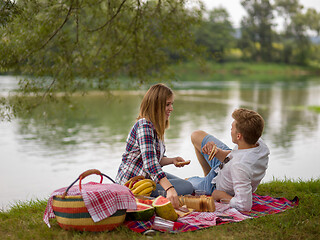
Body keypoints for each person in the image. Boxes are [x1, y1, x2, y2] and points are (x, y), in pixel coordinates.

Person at [115, 83, 194, 208]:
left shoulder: (154, 127)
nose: (171, 108)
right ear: (157, 106)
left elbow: (153, 160)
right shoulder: (144, 126)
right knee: (187, 186)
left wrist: (172, 160)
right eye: (168, 104)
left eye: (171, 104)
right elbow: (150, 164)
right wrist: (169, 189)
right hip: (133, 186)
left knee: (184, 184)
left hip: (147, 178)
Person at [187, 108, 270, 211]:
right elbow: (235, 155)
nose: (230, 130)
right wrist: (217, 151)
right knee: (196, 135)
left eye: (232, 127)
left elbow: (244, 205)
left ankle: (205, 182)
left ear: (239, 136)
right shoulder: (257, 143)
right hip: (225, 165)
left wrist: (222, 195)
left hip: (215, 185)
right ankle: (206, 175)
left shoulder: (240, 167)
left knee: (185, 183)